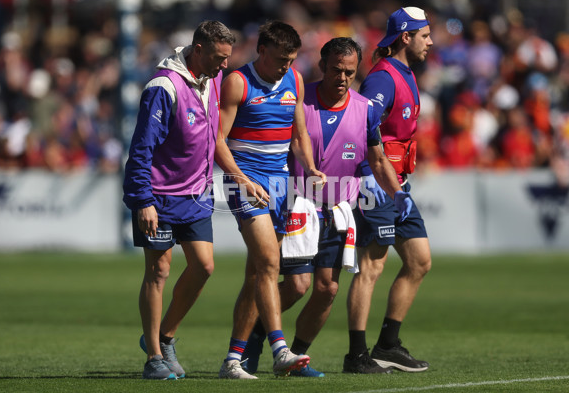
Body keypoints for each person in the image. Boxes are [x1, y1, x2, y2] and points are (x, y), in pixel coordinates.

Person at [240, 37, 414, 377]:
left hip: (338, 208)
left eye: (350, 71)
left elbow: (378, 161)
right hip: (298, 204)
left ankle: (298, 356)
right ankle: (255, 335)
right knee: (297, 285)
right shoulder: (299, 104)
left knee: (327, 289)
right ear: (323, 66)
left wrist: (399, 193)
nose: (343, 77)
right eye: (336, 70)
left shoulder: (365, 110)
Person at [122, 20, 235, 380]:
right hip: (159, 195)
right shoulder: (163, 87)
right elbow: (141, 149)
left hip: (197, 194)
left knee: (204, 266)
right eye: (219, 57)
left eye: (228, 58)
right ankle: (154, 357)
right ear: (198, 49)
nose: (225, 66)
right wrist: (143, 200)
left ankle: (164, 335)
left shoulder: (213, 76)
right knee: (159, 271)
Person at [214, 20, 327, 379]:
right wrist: (242, 180)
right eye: (280, 59)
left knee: (256, 276)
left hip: (281, 183)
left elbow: (299, 133)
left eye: (291, 59)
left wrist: (308, 166)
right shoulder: (237, 82)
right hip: (245, 180)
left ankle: (233, 360)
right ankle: (280, 349)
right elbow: (218, 141)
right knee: (268, 262)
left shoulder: (294, 80)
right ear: (262, 51)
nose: (286, 66)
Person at [345, 6, 433, 373]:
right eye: (425, 35)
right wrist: (370, 179)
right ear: (406, 37)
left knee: (419, 261)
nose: (431, 42)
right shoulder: (383, 78)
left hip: (398, 184)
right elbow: (362, 128)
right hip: (377, 184)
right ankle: (356, 355)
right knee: (372, 266)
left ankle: (388, 345)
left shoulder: (405, 73)